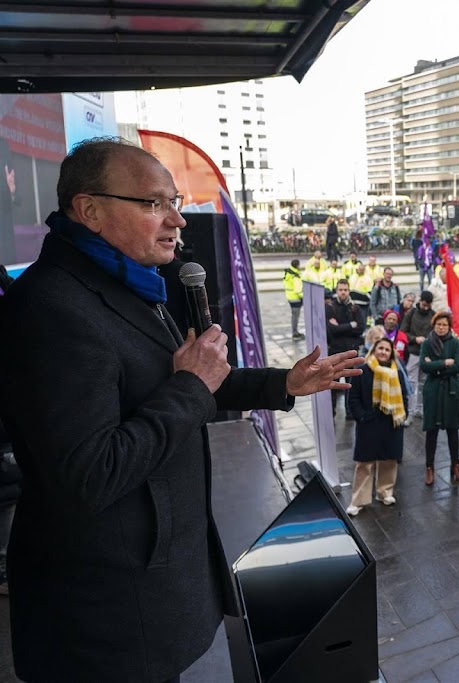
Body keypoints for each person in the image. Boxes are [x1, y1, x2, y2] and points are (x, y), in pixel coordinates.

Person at [0, 137, 363, 682]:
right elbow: (89, 474)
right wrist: (191, 386)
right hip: (108, 620)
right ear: (90, 210)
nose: (177, 219)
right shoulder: (54, 310)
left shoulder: (125, 283)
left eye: (175, 201)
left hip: (142, 596)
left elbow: (187, 384)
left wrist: (284, 382)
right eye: (154, 204)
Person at [345, 338, 408, 516]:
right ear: (374, 350)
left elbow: (403, 394)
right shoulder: (362, 370)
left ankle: (385, 492)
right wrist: (362, 417)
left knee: (389, 460)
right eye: (380, 348)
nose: (383, 352)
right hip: (370, 423)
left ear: (391, 353)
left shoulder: (396, 372)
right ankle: (358, 500)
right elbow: (353, 397)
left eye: (387, 350)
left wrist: (404, 415)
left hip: (391, 422)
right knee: (364, 464)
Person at [421, 311, 459, 486]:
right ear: (434, 325)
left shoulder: (455, 343)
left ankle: (455, 464)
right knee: (431, 430)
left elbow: (458, 366)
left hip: (451, 390)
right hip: (433, 390)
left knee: (452, 430)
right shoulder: (427, 343)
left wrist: (435, 365)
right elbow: (424, 366)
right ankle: (429, 467)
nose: (441, 327)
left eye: (444, 325)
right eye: (438, 324)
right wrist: (444, 363)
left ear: (449, 326)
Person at [326, 279, 367, 416]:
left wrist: (340, 327)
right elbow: (331, 330)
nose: (343, 292)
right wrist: (351, 325)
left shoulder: (355, 308)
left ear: (349, 291)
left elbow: (360, 327)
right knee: (333, 382)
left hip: (351, 350)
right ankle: (331, 411)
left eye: (345, 290)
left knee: (351, 383)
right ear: (337, 291)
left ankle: (350, 411)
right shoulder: (330, 307)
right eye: (340, 290)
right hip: (335, 351)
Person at [399, 291, 436, 418]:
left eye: (428, 305)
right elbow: (403, 331)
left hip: (427, 353)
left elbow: (436, 334)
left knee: (423, 383)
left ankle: (420, 409)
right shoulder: (411, 313)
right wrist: (414, 339)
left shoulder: (433, 315)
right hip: (413, 352)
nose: (426, 308)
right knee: (411, 382)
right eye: (424, 304)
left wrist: (428, 340)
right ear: (420, 301)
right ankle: (410, 411)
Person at [282, 257, 304, 339]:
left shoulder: (287, 272)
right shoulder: (295, 276)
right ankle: (295, 332)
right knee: (296, 316)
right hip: (296, 298)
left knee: (294, 315)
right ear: (297, 265)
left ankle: (294, 331)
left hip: (289, 296)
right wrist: (304, 297)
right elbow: (298, 290)